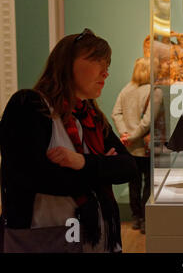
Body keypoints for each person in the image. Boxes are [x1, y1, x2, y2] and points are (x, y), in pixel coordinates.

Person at [0, 29, 137, 253]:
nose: (105, 73)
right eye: (96, 61)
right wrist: (103, 168)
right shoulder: (29, 106)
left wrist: (81, 162)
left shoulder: (91, 116)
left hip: (94, 240)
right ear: (66, 63)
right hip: (43, 240)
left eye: (107, 64)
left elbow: (128, 168)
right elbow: (34, 177)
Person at [111, 57, 163, 234]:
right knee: (148, 185)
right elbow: (148, 122)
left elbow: (115, 113)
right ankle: (146, 219)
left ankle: (136, 217)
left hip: (130, 147)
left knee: (133, 184)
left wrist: (125, 134)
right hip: (145, 147)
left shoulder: (126, 89)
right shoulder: (155, 91)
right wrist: (133, 136)